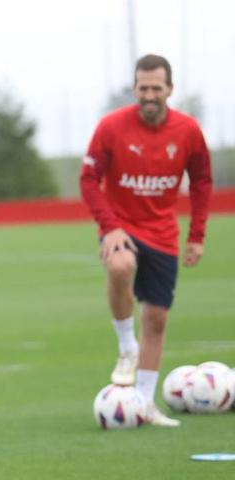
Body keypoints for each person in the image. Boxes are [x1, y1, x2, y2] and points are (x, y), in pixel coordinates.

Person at [80, 54, 212, 426]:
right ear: (134, 88)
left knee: (156, 318)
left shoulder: (188, 131)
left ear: (170, 89)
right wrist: (110, 225)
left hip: (164, 233)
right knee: (120, 264)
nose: (149, 95)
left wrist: (196, 235)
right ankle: (126, 346)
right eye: (143, 88)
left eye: (156, 88)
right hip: (121, 225)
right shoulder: (111, 127)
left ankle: (144, 404)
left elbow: (201, 182)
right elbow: (89, 180)